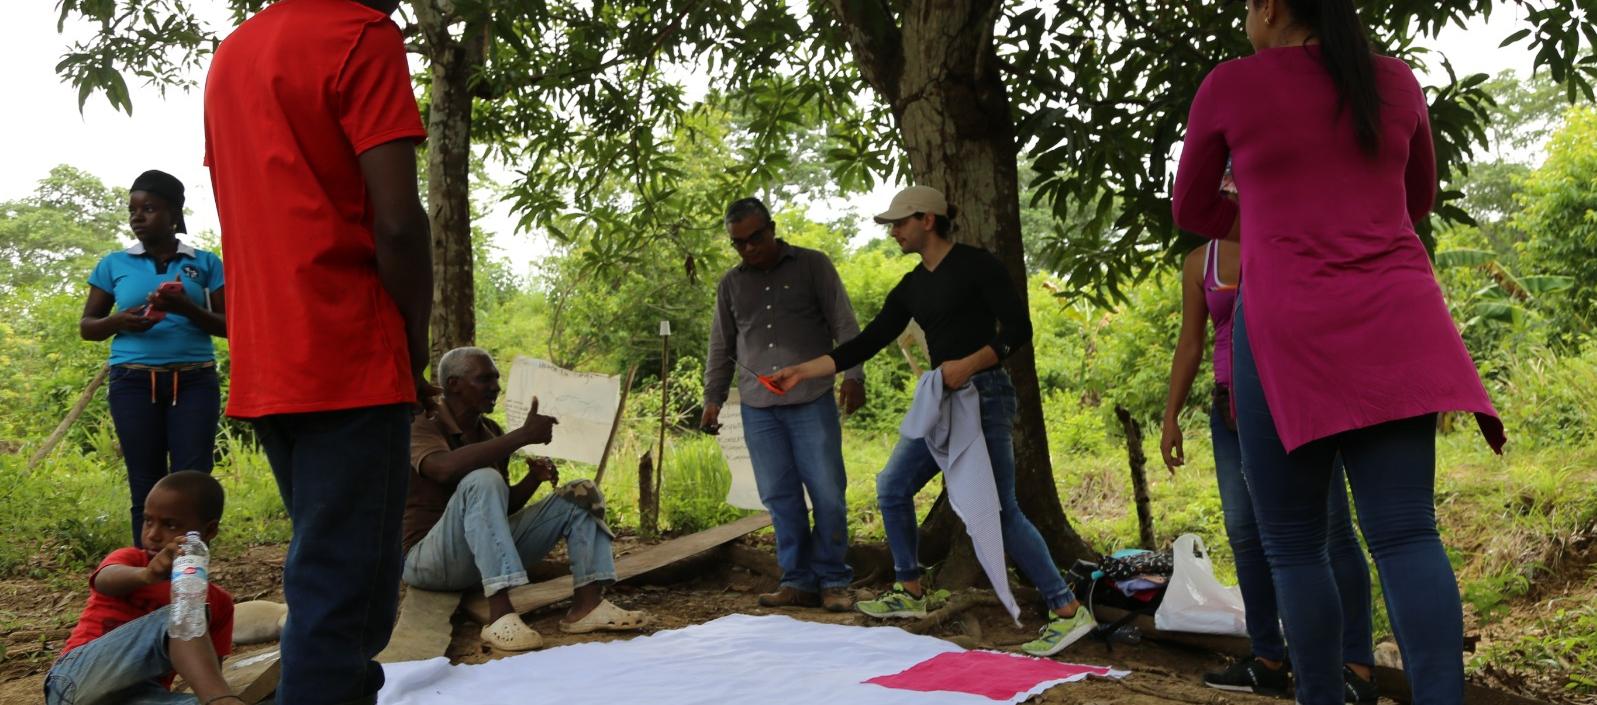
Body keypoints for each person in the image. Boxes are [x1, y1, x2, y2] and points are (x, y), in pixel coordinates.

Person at [1171, 0, 1506, 701]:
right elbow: (1416, 198)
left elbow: (1192, 208)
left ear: (1269, 8)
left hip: (1287, 327)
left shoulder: (1231, 84)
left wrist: (1272, 214)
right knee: (1406, 534)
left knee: (1294, 545)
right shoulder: (1395, 80)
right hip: (1398, 320)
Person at [203, 0, 433, 701]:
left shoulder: (233, 54)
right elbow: (399, 225)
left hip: (269, 359)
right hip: (348, 350)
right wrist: (413, 340)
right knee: (344, 600)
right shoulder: (361, 36)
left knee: (325, 577)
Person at [772, 186, 1094, 657]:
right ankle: (910, 590)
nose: (893, 233)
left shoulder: (977, 265)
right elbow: (866, 342)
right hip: (941, 399)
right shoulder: (911, 286)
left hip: (984, 396)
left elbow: (1018, 329)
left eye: (900, 223)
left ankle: (1066, 609)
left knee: (999, 510)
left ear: (928, 219)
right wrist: (803, 370)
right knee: (893, 485)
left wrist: (972, 363)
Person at [1159, 233, 1376, 699]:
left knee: (1331, 530)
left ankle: (1355, 667)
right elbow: (1191, 343)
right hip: (1231, 414)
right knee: (1245, 533)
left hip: (1299, 404)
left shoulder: (1300, 238)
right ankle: (1268, 659)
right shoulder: (1201, 261)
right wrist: (1171, 415)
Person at [404, 347, 649, 650]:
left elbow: (498, 510)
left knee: (582, 491)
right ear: (453, 384)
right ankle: (500, 616)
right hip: (429, 562)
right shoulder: (423, 422)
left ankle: (588, 606)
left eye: (496, 379)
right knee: (483, 478)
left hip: (478, 562)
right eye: (484, 379)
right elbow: (442, 469)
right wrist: (522, 436)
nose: (495, 387)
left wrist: (533, 479)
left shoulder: (490, 431)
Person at [701, 198, 865, 612]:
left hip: (812, 398)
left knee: (827, 491)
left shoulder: (813, 265)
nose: (749, 248)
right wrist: (712, 398)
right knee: (779, 495)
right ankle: (797, 581)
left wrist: (854, 375)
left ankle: (833, 579)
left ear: (772, 229)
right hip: (758, 407)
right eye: (739, 243)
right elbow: (721, 346)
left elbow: (845, 324)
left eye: (755, 238)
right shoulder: (731, 284)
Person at [80, 170, 226, 548]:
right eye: (133, 210)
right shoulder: (113, 264)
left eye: (149, 208)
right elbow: (88, 327)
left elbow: (230, 326)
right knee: (145, 483)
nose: (137, 217)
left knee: (193, 482)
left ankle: (189, 572)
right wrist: (119, 321)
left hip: (194, 381)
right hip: (132, 382)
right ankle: (148, 573)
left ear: (175, 213)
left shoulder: (206, 263)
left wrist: (186, 307)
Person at [46, 471, 239, 705]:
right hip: (76, 679)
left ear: (208, 531)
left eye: (170, 525)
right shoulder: (131, 560)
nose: (153, 534)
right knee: (183, 611)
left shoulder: (219, 603)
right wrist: (147, 575)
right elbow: (104, 580)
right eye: (148, 521)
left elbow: (208, 678)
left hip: (140, 696)